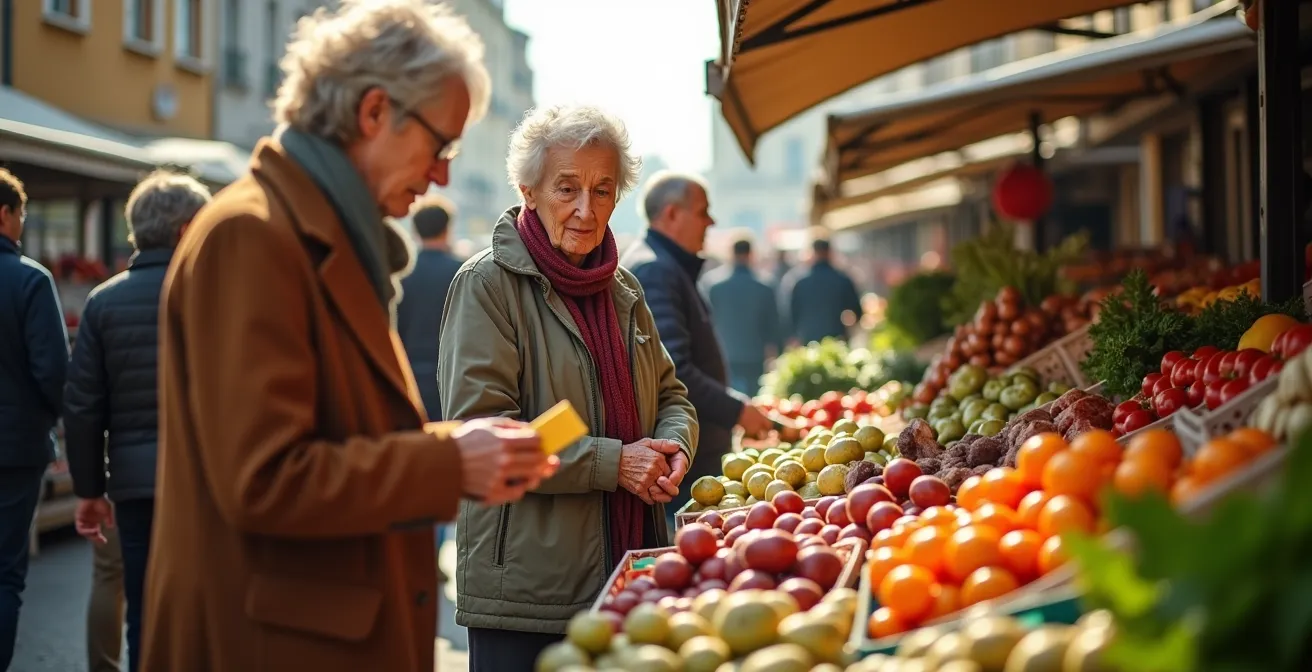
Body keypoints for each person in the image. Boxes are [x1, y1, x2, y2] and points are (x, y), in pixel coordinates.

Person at [141, 3, 556, 671]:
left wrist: (458, 447)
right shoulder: (253, 234)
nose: (443, 173)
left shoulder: (320, 232)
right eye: (440, 144)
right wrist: (449, 465)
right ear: (373, 114)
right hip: (268, 643)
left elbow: (337, 439)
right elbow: (265, 479)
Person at [438, 104, 699, 671]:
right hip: (529, 594)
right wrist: (615, 462)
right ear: (528, 190)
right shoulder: (488, 285)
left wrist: (674, 446)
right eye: (567, 188)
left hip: (628, 570)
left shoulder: (623, 288)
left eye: (603, 190)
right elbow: (486, 430)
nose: (586, 209)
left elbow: (672, 395)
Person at [64, 171, 212, 672]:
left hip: (134, 483)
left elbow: (83, 405)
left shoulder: (103, 301)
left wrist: (88, 488)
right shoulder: (216, 292)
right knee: (208, 603)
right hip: (206, 481)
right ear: (185, 228)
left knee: (143, 603)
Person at [621, 171, 774, 517]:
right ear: (673, 214)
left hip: (688, 447)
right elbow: (675, 369)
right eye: (703, 211)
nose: (711, 221)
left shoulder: (663, 263)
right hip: (683, 455)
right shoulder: (656, 269)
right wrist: (737, 410)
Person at [0, 168, 68, 671]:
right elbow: (53, 372)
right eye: (20, 213)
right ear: (4, 214)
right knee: (4, 575)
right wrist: (46, 420)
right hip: (14, 448)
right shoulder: (29, 279)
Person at [397, 194, 462, 422]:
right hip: (452, 376)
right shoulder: (463, 273)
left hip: (407, 375)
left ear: (415, 231)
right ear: (447, 229)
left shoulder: (400, 275)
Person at [701, 236, 784, 395]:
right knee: (755, 399)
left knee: (727, 398)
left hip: (724, 352)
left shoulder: (712, 285)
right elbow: (773, 324)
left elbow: (706, 321)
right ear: (751, 254)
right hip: (755, 353)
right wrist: (776, 351)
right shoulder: (765, 285)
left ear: (731, 253)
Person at [780, 237, 864, 347]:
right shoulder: (842, 279)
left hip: (808, 339)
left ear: (812, 253)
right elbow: (857, 311)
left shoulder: (799, 282)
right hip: (837, 339)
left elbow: (790, 315)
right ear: (829, 252)